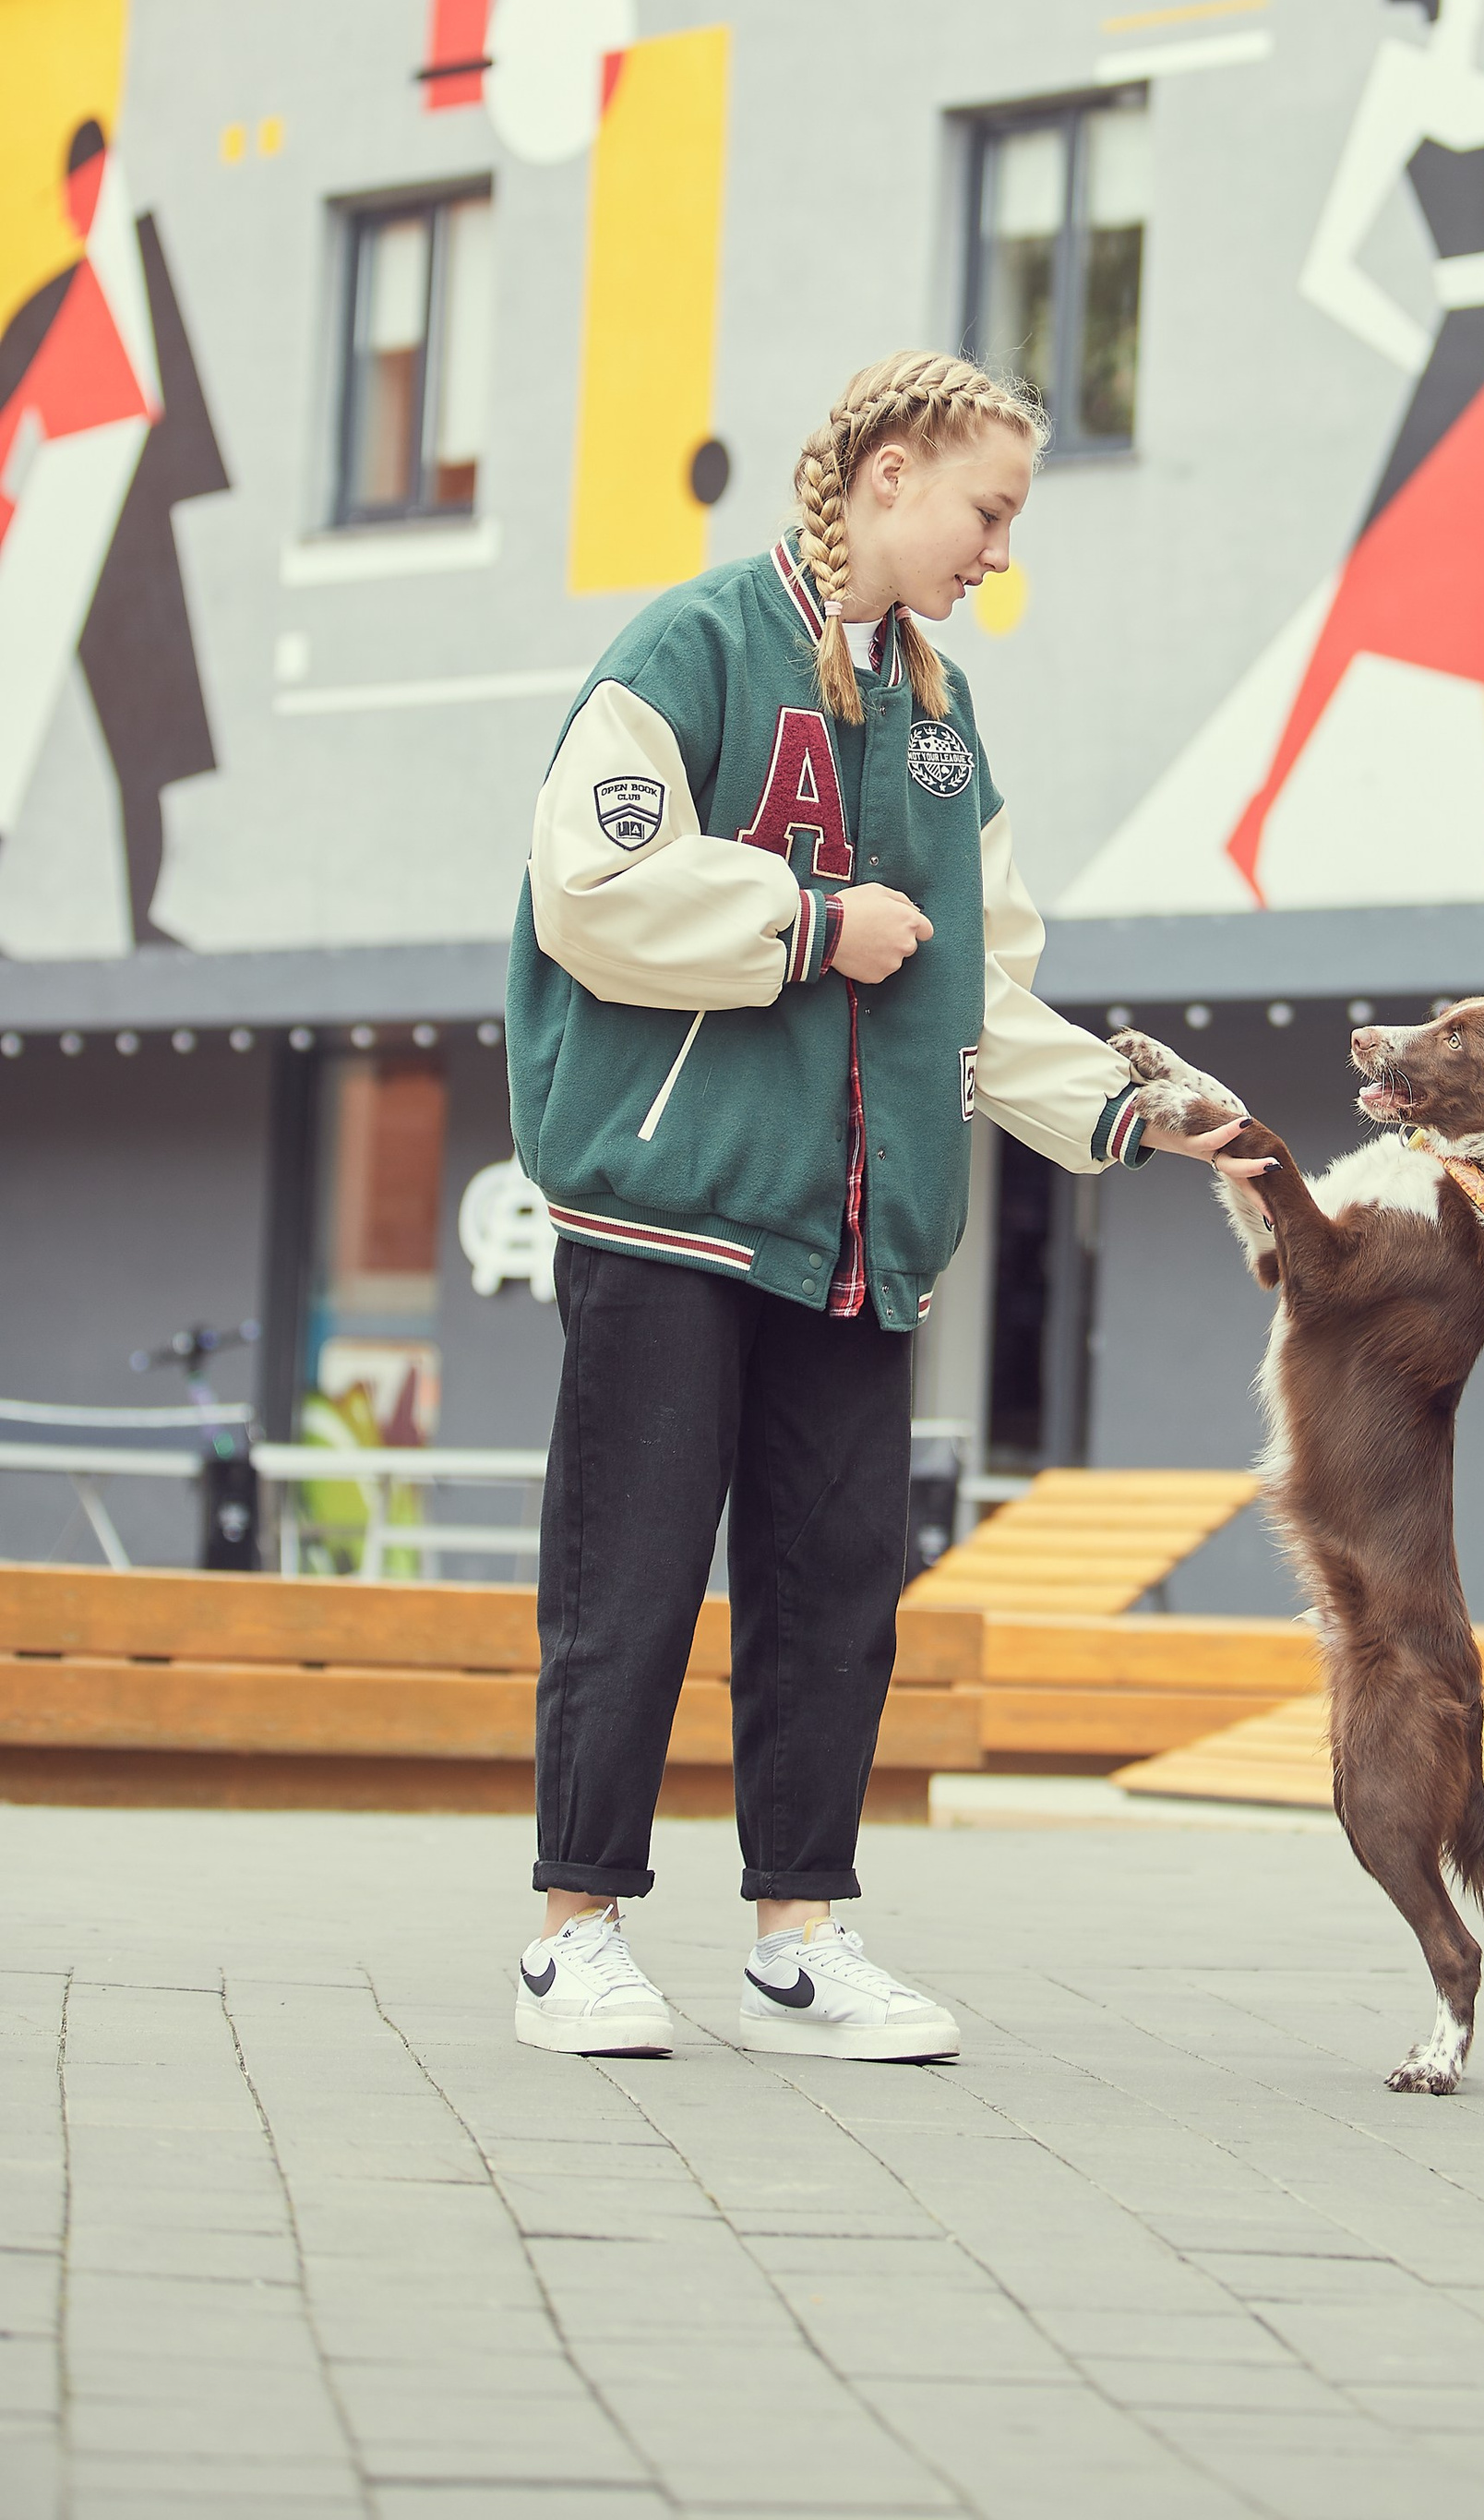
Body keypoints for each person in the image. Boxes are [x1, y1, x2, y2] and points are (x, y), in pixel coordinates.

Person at [504, 349, 1260, 2060]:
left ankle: (798, 1940)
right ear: (892, 477)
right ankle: (575, 1931)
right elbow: (590, 887)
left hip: (861, 1227)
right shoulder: (685, 650)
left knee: (839, 1587)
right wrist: (807, 919)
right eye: (990, 510)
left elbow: (982, 990)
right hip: (669, 1210)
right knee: (627, 1576)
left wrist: (1136, 1111)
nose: (1001, 547)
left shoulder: (939, 720)